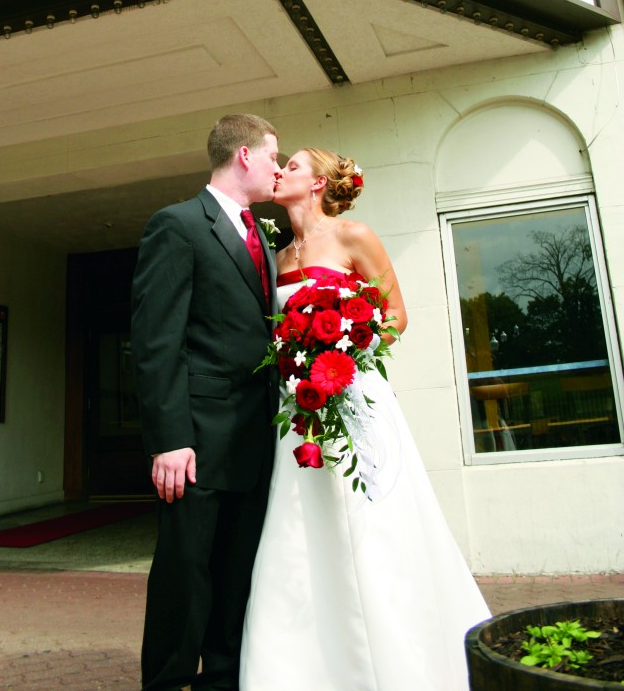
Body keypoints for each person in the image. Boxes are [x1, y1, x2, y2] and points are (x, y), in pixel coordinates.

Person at [240, 147, 491, 691]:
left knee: (373, 518)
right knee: (301, 519)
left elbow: (397, 314)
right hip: (300, 407)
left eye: (292, 166)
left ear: (317, 184)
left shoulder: (355, 236)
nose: (279, 172)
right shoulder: (279, 255)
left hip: (355, 396)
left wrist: (349, 349)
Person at [131, 113, 281, 691]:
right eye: (273, 156)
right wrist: (169, 439)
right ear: (244, 156)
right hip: (195, 441)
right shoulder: (177, 225)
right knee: (183, 579)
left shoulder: (262, 235)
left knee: (235, 580)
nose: (277, 167)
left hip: (253, 439)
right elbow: (156, 339)